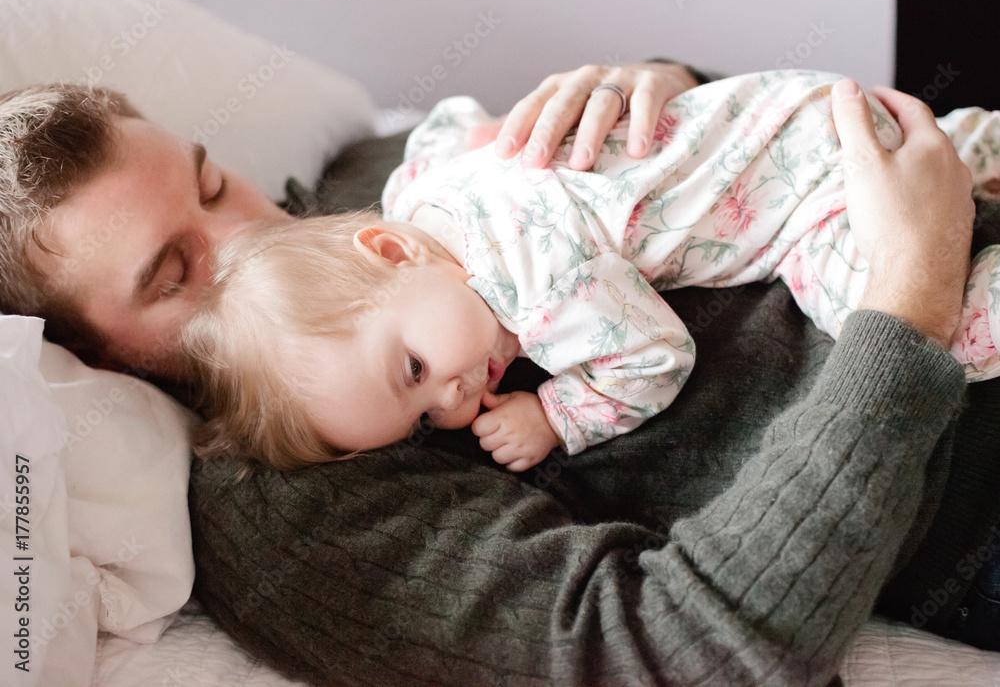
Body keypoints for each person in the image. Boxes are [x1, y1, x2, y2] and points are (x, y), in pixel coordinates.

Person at [0, 61, 990, 684]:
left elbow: (690, 157)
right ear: (93, 357)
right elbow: (688, 655)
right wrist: (908, 300)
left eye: (214, 183)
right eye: (176, 271)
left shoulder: (371, 178)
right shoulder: (291, 498)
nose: (250, 234)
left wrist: (656, 84)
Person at [181, 69, 1000, 474]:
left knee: (920, 336)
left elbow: (653, 356)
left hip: (806, 192)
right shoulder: (415, 187)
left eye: (416, 370)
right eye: (427, 417)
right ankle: (979, 145)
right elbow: (452, 124)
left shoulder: (533, 285)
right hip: (788, 105)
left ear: (392, 254)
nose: (458, 401)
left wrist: (556, 414)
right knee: (949, 152)